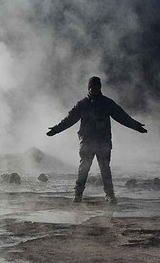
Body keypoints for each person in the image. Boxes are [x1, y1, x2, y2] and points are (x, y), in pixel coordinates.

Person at [47, 76, 147, 204]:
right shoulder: (82, 104)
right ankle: (78, 195)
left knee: (105, 169)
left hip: (103, 141)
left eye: (96, 86)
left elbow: (122, 117)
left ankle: (110, 195)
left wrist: (136, 126)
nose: (93, 88)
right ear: (88, 87)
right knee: (84, 169)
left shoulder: (107, 103)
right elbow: (69, 120)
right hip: (87, 142)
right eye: (91, 86)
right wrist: (56, 129)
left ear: (100, 87)